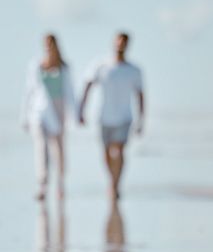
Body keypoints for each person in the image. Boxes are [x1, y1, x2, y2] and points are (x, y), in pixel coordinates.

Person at [78, 32, 145, 200]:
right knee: (106, 152)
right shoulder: (101, 66)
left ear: (128, 45)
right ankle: (111, 179)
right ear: (113, 43)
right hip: (104, 117)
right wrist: (81, 109)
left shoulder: (133, 70)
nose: (120, 45)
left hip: (124, 117)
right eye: (118, 41)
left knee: (120, 150)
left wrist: (141, 119)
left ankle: (116, 184)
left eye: (124, 42)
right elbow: (88, 84)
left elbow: (140, 95)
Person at [22, 34, 77, 200]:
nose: (48, 47)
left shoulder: (64, 67)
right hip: (39, 111)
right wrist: (24, 116)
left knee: (58, 149)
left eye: (50, 44)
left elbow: (70, 92)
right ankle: (42, 185)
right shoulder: (36, 66)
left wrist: (76, 114)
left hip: (58, 109)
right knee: (41, 148)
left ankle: (60, 183)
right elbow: (29, 91)